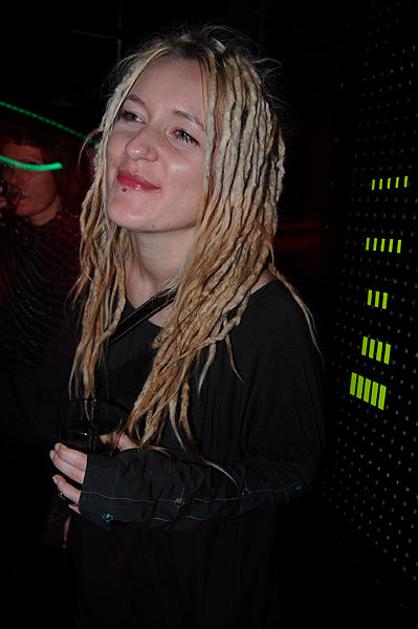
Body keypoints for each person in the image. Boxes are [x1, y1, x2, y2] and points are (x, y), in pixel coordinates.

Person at [50, 25, 325, 628]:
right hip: (102, 586)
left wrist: (162, 490)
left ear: (232, 173)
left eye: (182, 133)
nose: (136, 147)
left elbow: (291, 473)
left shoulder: (265, 320)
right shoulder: (98, 284)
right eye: (131, 117)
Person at [0, 122, 89, 625]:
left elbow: (32, 328)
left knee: (45, 557)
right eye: (7, 165)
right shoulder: (9, 237)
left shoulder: (78, 244)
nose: (14, 177)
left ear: (60, 175)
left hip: (51, 428)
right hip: (11, 417)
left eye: (30, 165)